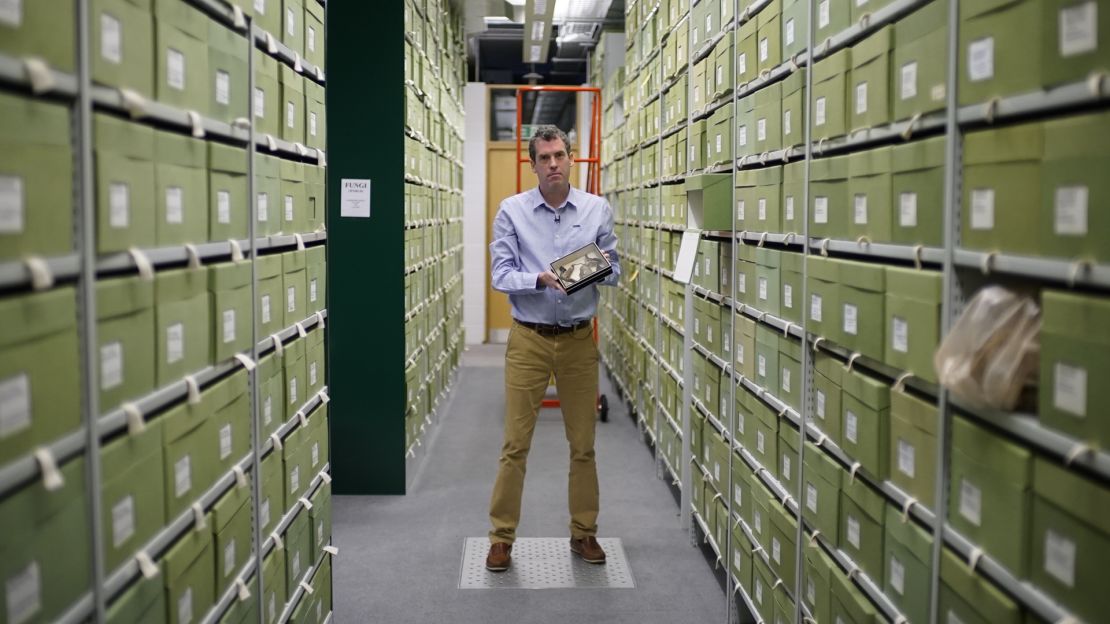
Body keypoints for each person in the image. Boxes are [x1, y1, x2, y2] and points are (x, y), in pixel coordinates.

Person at [485, 125, 621, 572]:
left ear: (572, 156)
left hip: (580, 338)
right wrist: (538, 279)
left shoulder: (597, 209)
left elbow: (614, 269)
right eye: (544, 158)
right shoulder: (512, 211)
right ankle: (501, 538)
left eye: (560, 155)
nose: (554, 164)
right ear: (533, 163)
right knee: (515, 444)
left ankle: (584, 533)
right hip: (529, 338)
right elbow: (501, 275)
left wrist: (588, 269)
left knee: (583, 444)